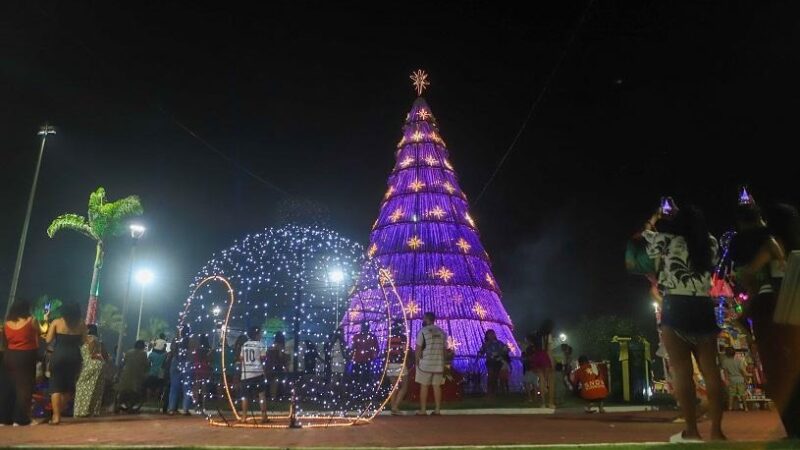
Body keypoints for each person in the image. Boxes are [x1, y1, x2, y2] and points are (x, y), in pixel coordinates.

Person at [642, 205, 724, 442]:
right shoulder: (710, 242)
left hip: (676, 305)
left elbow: (647, 237)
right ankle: (717, 431)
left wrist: (657, 216)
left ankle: (692, 431)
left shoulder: (667, 240)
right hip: (703, 306)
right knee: (712, 373)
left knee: (682, 372)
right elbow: (714, 263)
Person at [735, 203, 800, 436]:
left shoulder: (772, 241)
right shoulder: (795, 244)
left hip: (771, 306)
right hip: (794, 308)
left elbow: (750, 272)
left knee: (777, 369)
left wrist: (749, 276)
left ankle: (793, 426)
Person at [45, 301, 87, 425]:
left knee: (55, 386)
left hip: (58, 355)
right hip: (74, 356)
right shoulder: (81, 324)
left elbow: (48, 339)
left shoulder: (57, 322)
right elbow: (84, 341)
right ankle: (57, 412)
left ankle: (56, 416)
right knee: (69, 388)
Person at [3, 300, 41, 425]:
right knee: (25, 387)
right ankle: (21, 419)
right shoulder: (31, 320)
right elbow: (39, 334)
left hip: (9, 356)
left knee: (8, 387)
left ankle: (4, 418)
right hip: (26, 356)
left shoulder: (7, 323)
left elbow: (5, 343)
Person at [415, 311, 446, 416]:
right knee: (437, 386)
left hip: (425, 364)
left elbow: (418, 348)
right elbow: (444, 349)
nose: (422, 320)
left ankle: (423, 410)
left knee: (424, 386)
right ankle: (437, 409)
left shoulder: (423, 331)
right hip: (438, 363)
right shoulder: (442, 332)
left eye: (423, 318)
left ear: (427, 319)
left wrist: (416, 361)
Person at [74, 324, 106, 417]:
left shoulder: (90, 338)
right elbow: (105, 356)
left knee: (81, 386)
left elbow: (92, 353)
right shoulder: (100, 341)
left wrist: (93, 354)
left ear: (88, 330)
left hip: (91, 364)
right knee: (96, 388)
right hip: (100, 365)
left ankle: (81, 411)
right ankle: (93, 411)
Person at [239, 327, 268, 423]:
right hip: (257, 372)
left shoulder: (245, 345)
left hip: (246, 374)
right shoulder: (260, 345)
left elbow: (241, 358)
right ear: (256, 335)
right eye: (260, 333)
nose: (261, 335)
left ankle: (243, 417)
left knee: (245, 396)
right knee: (261, 394)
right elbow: (263, 358)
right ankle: (264, 416)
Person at [114, 340, 149, 413]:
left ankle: (118, 404)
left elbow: (124, 363)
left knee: (122, 390)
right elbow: (146, 366)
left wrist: (118, 373)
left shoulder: (128, 352)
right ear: (142, 346)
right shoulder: (143, 354)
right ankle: (130, 406)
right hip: (137, 377)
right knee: (136, 391)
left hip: (125, 375)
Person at [531, 320, 556, 409]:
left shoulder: (536, 334)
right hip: (545, 356)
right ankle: (551, 403)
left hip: (536, 357)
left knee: (541, 381)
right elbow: (549, 350)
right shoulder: (548, 335)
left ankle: (543, 403)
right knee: (550, 381)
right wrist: (552, 362)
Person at [477, 329, 508, 398]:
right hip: (490, 362)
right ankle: (489, 393)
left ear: (494, 335)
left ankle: (494, 393)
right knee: (490, 376)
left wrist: (503, 352)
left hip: (497, 362)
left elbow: (505, 350)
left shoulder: (499, 343)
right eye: (489, 334)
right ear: (487, 336)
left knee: (495, 377)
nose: (491, 335)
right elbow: (482, 351)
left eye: (492, 334)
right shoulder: (486, 344)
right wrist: (480, 353)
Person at [387, 319, 409, 415]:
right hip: (399, 363)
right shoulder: (403, 337)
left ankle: (393, 407)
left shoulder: (390, 338)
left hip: (390, 363)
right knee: (404, 386)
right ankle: (395, 407)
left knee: (394, 387)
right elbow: (405, 350)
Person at [351, 323, 379, 388]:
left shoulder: (358, 336)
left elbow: (353, 348)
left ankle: (358, 389)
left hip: (361, 360)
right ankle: (361, 389)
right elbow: (377, 349)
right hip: (365, 360)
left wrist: (350, 356)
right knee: (364, 376)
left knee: (359, 377)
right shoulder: (372, 336)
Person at [144, 337, 168, 405]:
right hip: (161, 373)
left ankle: (148, 400)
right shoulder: (164, 355)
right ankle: (156, 400)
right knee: (159, 386)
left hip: (152, 371)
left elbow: (148, 363)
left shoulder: (152, 354)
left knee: (149, 386)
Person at [265, 332, 288, 400]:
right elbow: (281, 358)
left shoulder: (271, 347)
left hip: (270, 368)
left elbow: (268, 357)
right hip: (278, 368)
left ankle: (272, 397)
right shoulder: (281, 347)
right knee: (278, 384)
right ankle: (276, 397)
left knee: (271, 384)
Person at [522, 334, 539, 403]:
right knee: (534, 383)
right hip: (536, 367)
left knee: (526, 383)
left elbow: (529, 358)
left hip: (530, 367)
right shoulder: (537, 347)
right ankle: (535, 398)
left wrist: (525, 357)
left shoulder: (529, 348)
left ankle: (530, 398)